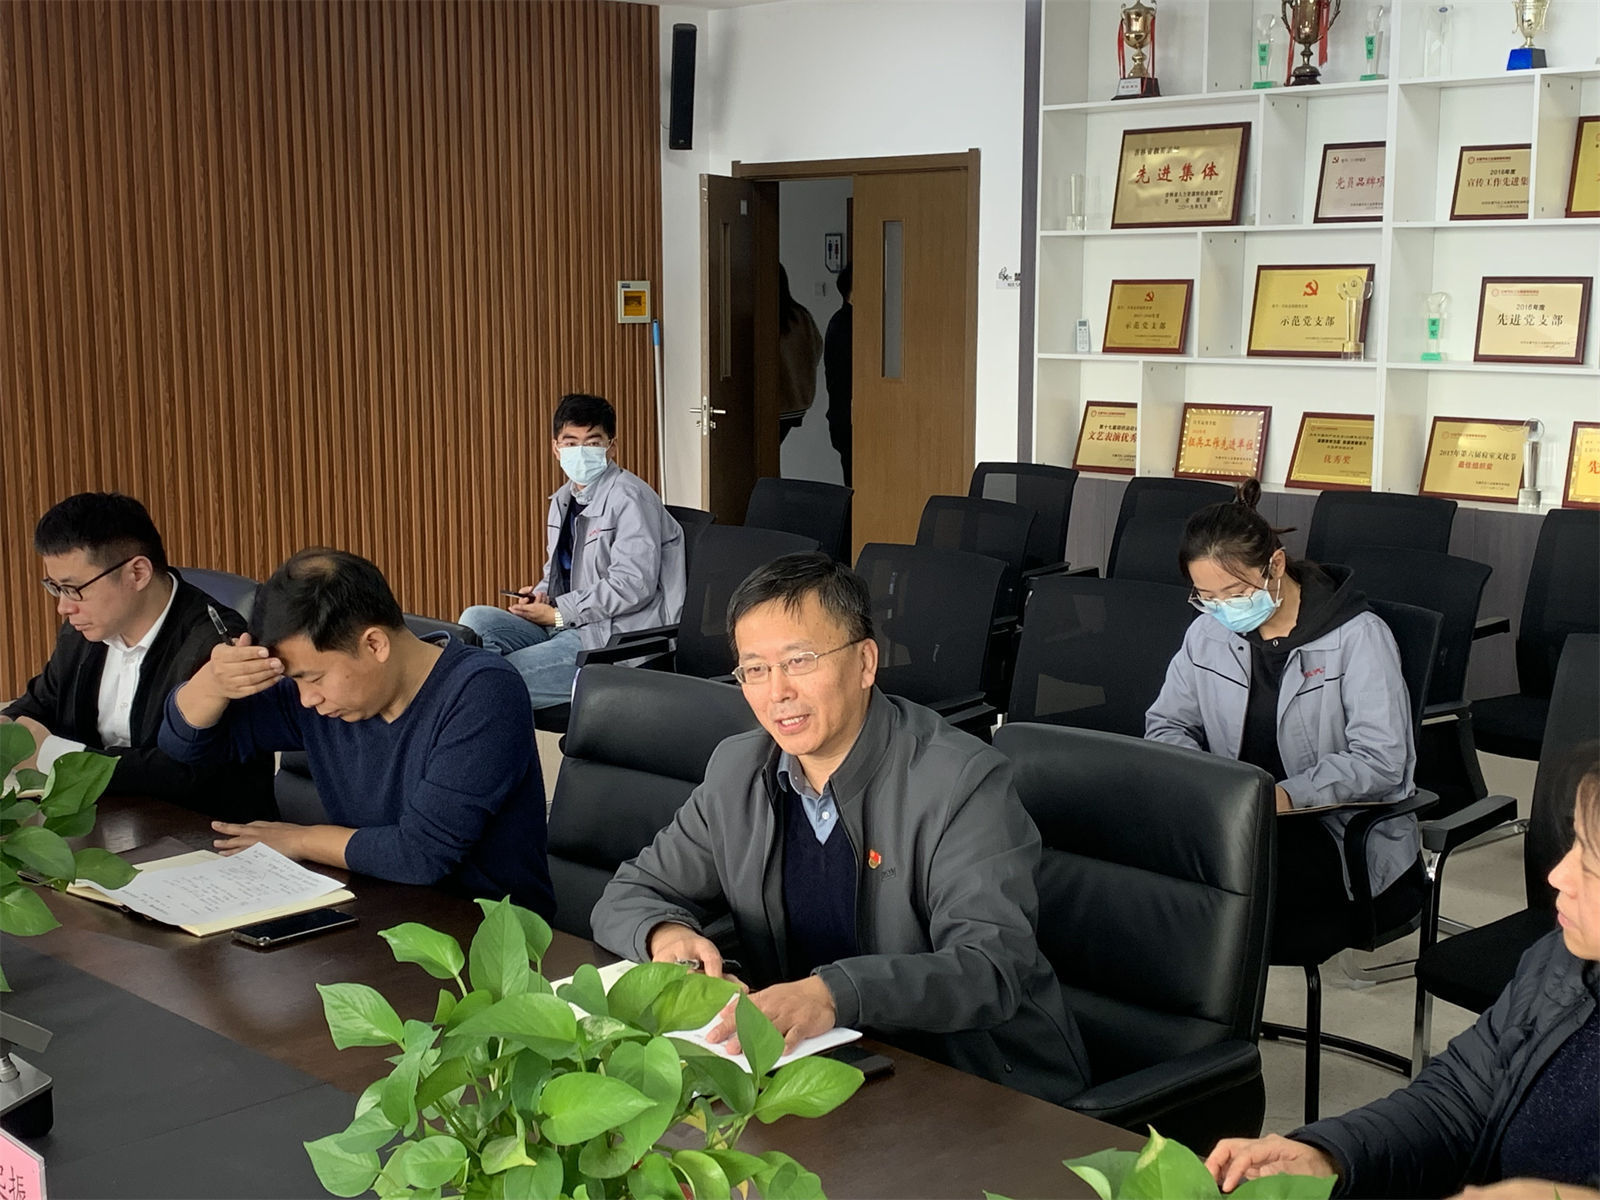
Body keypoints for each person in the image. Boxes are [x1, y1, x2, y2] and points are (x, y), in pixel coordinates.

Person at [591, 553, 1090, 1105]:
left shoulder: (962, 783)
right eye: (755, 669)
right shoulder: (738, 770)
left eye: (799, 661)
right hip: (816, 1068)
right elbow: (630, 892)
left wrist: (834, 994)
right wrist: (667, 936)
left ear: (865, 663)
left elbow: (989, 967)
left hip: (976, 1082)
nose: (777, 691)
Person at [1207, 748, 1600, 1199]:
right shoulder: (1563, 963)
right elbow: (1457, 1101)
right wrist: (1329, 1158)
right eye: (1573, 843)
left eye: (1590, 866)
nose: (1558, 876)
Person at [159, 548, 554, 915]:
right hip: (375, 909)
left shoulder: (483, 691)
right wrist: (213, 682)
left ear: (375, 644)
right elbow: (187, 747)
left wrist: (299, 840)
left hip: (487, 933)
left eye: (313, 678)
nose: (307, 698)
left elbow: (420, 855)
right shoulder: (323, 697)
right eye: (296, 681)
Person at [1145, 478, 1422, 942]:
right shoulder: (1207, 633)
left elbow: (1382, 761)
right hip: (1230, 816)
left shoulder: (1358, 637)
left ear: (1275, 565)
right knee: (1142, 866)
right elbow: (1168, 723)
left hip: (1330, 829)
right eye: (1205, 597)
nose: (1220, 609)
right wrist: (1204, 786)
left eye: (1233, 593)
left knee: (1214, 899)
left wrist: (1286, 797)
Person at [2, 492, 272, 818]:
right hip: (105, 821)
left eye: (74, 589)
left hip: (200, 832)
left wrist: (54, 755)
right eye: (56, 587)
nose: (64, 606)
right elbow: (38, 706)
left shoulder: (219, 642)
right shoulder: (83, 631)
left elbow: (187, 773)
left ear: (138, 573)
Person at [459, 392, 685, 710]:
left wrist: (559, 613)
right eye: (571, 442)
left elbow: (633, 585)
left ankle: (494, 702)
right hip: (567, 623)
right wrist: (541, 596)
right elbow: (559, 571)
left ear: (611, 447)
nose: (581, 452)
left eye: (592, 443)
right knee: (475, 622)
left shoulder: (630, 498)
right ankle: (495, 703)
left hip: (611, 636)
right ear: (556, 449)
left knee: (493, 679)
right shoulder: (564, 499)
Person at [777, 265, 823, 445]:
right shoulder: (801, 316)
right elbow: (816, 350)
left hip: (775, 404)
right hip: (797, 402)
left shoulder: (764, 317)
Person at [823, 263, 853, 485]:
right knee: (854, 480)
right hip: (847, 416)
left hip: (844, 416)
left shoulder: (842, 321)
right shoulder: (843, 324)